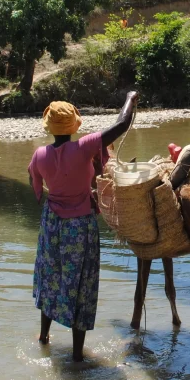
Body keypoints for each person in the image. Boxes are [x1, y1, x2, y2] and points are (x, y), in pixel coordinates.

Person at [28, 92, 138, 362]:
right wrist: (129, 99)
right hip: (80, 226)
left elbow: (35, 185)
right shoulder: (85, 147)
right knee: (82, 283)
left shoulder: (40, 155)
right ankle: (77, 355)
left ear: (50, 127)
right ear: (74, 125)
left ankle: (44, 336)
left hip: (52, 223)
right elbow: (122, 124)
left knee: (50, 277)